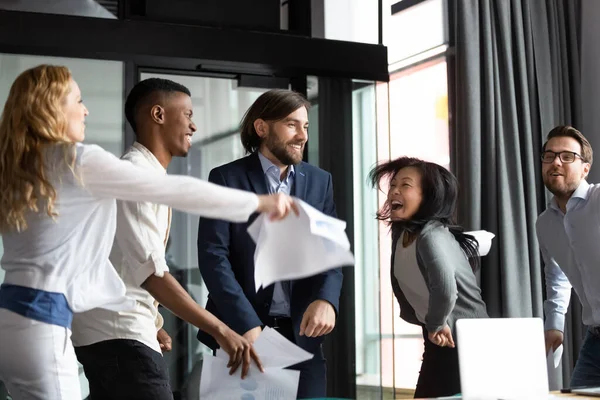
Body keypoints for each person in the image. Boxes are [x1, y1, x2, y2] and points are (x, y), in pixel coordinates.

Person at [0, 65, 296, 400]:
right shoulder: (76, 161)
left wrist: (153, 321)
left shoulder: (24, 169)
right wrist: (258, 202)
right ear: (52, 106)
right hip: (45, 324)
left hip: (11, 322)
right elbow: (177, 192)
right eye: (78, 101)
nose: (85, 109)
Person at [71, 78, 264, 400]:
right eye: (187, 114)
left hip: (113, 332)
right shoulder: (135, 177)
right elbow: (151, 273)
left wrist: (153, 322)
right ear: (158, 114)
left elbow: (118, 262)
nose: (194, 125)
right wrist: (222, 330)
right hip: (119, 334)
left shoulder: (144, 176)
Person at [196, 89, 344, 399]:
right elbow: (214, 258)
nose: (302, 135)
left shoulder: (320, 181)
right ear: (262, 128)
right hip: (241, 337)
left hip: (302, 340)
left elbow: (330, 251)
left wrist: (326, 299)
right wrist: (246, 325)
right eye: (292, 125)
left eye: (305, 126)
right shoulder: (226, 178)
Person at [369, 156, 488, 399]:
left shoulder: (431, 235)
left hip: (466, 340)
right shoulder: (402, 234)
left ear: (429, 196)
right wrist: (432, 325)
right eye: (393, 185)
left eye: (405, 185)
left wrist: (434, 323)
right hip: (439, 335)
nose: (394, 191)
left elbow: (445, 289)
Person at [537, 125, 600, 388]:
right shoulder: (545, 224)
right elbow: (557, 277)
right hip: (595, 338)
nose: (556, 162)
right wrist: (555, 325)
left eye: (567, 156)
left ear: (585, 168)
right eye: (549, 156)